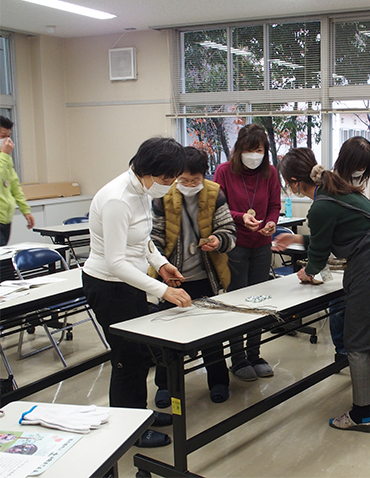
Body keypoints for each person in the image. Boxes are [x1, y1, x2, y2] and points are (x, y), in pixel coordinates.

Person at [274, 147, 370, 433]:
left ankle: (361, 414)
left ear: (296, 182)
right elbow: (331, 234)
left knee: (357, 338)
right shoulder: (335, 190)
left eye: (288, 182)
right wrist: (295, 239)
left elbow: (320, 253)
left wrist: (308, 272)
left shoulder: (322, 204)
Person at [82, 137, 191, 449]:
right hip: (109, 285)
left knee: (140, 355)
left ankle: (138, 415)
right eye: (167, 178)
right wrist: (162, 291)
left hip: (129, 283)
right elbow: (116, 262)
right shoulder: (118, 198)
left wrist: (161, 264)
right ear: (148, 170)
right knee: (127, 359)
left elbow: (141, 241)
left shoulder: (141, 190)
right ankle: (128, 430)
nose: (169, 185)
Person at [150, 147, 237, 405]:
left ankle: (219, 382)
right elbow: (152, 238)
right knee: (167, 336)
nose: (189, 184)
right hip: (171, 278)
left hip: (205, 276)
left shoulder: (214, 193)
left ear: (203, 175)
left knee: (211, 334)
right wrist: (162, 266)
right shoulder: (163, 194)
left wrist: (217, 240)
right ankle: (165, 386)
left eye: (194, 180)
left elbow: (229, 231)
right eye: (184, 179)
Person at [213, 124, 280, 381]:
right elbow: (219, 209)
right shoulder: (224, 172)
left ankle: (254, 353)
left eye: (259, 150)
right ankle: (238, 358)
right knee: (237, 302)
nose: (254, 155)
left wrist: (271, 222)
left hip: (262, 245)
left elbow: (274, 204)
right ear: (239, 150)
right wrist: (241, 218)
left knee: (259, 302)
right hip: (235, 246)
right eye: (249, 150)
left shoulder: (270, 173)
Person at [329, 136, 370, 356]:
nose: (361, 170)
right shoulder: (331, 182)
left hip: (365, 252)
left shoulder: (368, 180)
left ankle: (365, 347)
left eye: (365, 166)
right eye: (357, 165)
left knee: (365, 304)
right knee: (339, 303)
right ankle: (341, 348)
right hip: (340, 250)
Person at [0, 116, 35, 246]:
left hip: (5, 220)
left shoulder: (5, 158)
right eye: (3, 136)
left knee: (4, 258)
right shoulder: (4, 156)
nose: (6, 141)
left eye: (8, 136)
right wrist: (4, 155)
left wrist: (25, 210)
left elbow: (14, 185)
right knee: (3, 264)